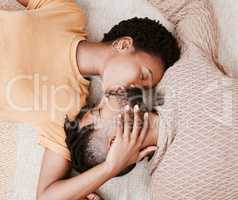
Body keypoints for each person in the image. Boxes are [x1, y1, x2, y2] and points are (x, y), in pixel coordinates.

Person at [0, 0, 180, 199]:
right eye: (143, 75)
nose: (134, 91)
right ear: (124, 44)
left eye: (144, 89)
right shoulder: (68, 14)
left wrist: (111, 167)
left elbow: (47, 196)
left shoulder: (68, 109)